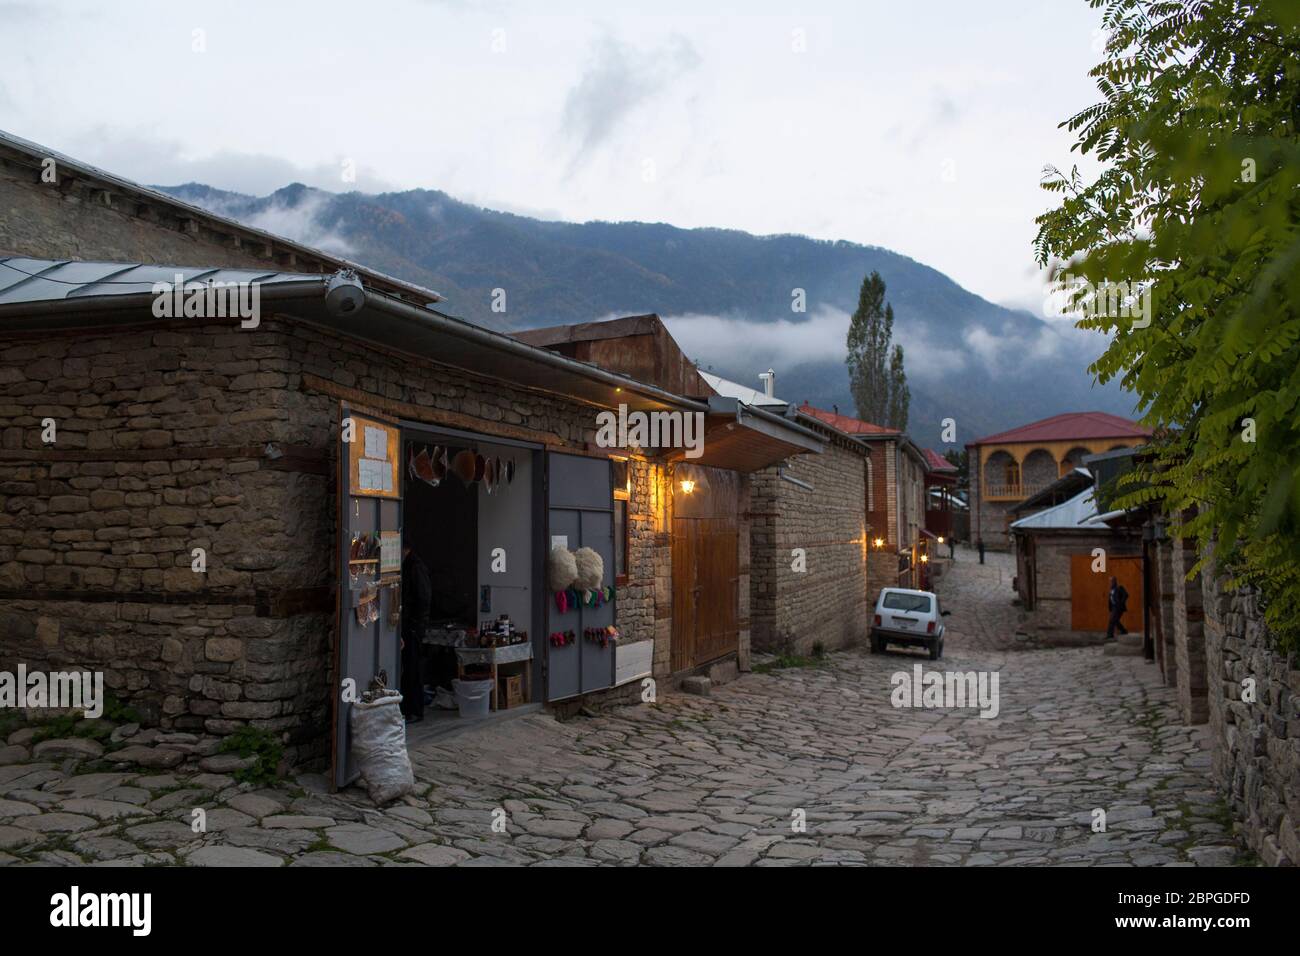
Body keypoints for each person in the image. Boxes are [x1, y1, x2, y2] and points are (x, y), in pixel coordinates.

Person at [400, 543, 432, 722]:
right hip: (409, 625)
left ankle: (414, 709)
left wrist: (415, 625)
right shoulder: (408, 565)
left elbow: (423, 598)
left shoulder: (415, 567)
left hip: (413, 627)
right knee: (408, 669)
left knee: (413, 669)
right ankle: (408, 707)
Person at [1106, 575, 1129, 641]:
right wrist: (1111, 608)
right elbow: (1110, 599)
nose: (1111, 583)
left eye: (1112, 581)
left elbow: (1126, 595)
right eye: (1110, 581)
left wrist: (1121, 602)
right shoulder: (1111, 590)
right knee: (1114, 620)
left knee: (1112, 620)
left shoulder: (1119, 588)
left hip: (1118, 607)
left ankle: (1110, 635)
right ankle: (1124, 631)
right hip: (1113, 607)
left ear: (1115, 581)